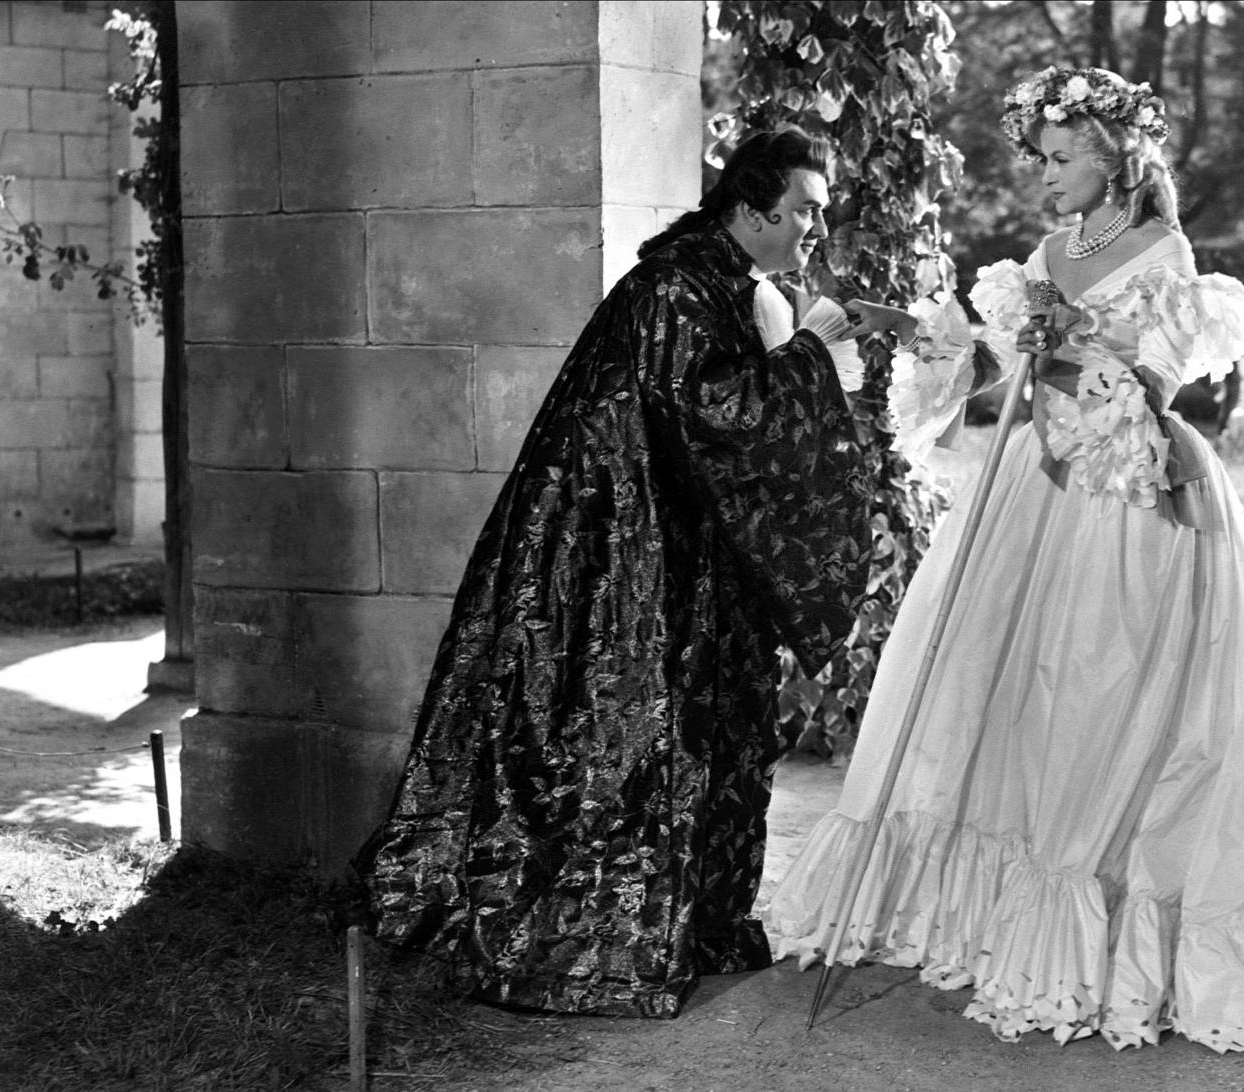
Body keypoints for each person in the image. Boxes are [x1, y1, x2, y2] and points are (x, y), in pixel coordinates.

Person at [765, 67, 1244, 1053]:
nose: (1043, 178)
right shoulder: (1044, 250)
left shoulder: (1164, 249)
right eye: (1038, 159)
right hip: (1029, 491)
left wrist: (1074, 337)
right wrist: (918, 329)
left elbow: (1155, 385)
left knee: (1101, 693)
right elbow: (999, 366)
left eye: (1059, 158)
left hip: (1124, 493)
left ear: (1116, 157)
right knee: (1008, 692)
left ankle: (1099, 925)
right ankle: (990, 918)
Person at [355, 128, 877, 1019]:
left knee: (705, 724)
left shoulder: (712, 282)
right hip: (616, 560)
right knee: (625, 733)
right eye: (806, 212)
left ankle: (696, 924)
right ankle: (599, 944)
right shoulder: (678, 288)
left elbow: (711, 427)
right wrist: (813, 353)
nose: (814, 230)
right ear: (753, 211)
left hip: (666, 546)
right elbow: (719, 413)